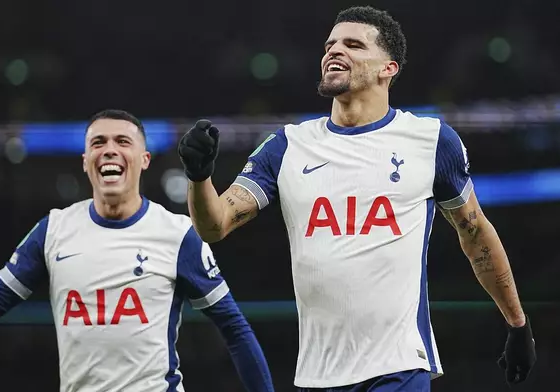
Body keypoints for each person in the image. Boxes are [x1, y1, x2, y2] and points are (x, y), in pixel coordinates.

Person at [177, 5, 536, 391]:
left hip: (398, 367)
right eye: (330, 44)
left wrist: (518, 324)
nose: (334, 51)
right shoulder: (287, 146)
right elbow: (215, 225)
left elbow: (475, 233)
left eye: (353, 45)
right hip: (317, 374)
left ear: (389, 68)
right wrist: (199, 177)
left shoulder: (431, 140)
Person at [0, 109, 275, 392]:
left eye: (123, 142)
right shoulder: (54, 229)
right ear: (85, 160)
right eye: (98, 143)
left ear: (144, 160)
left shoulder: (178, 234)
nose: (110, 150)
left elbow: (234, 328)